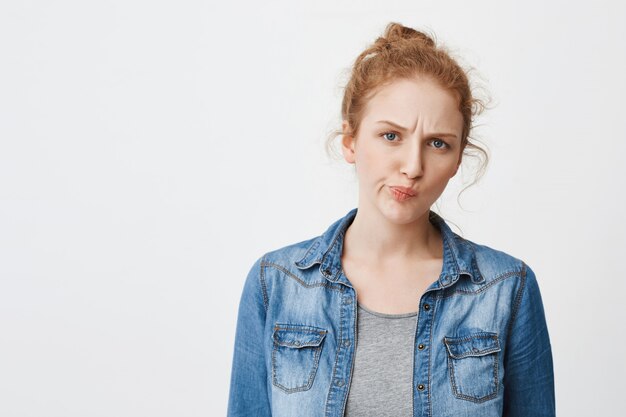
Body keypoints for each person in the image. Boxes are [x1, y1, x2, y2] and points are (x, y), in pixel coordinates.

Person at [227, 22, 555, 417]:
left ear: (456, 160)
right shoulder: (275, 283)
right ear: (350, 140)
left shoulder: (506, 290)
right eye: (391, 136)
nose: (413, 167)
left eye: (438, 144)